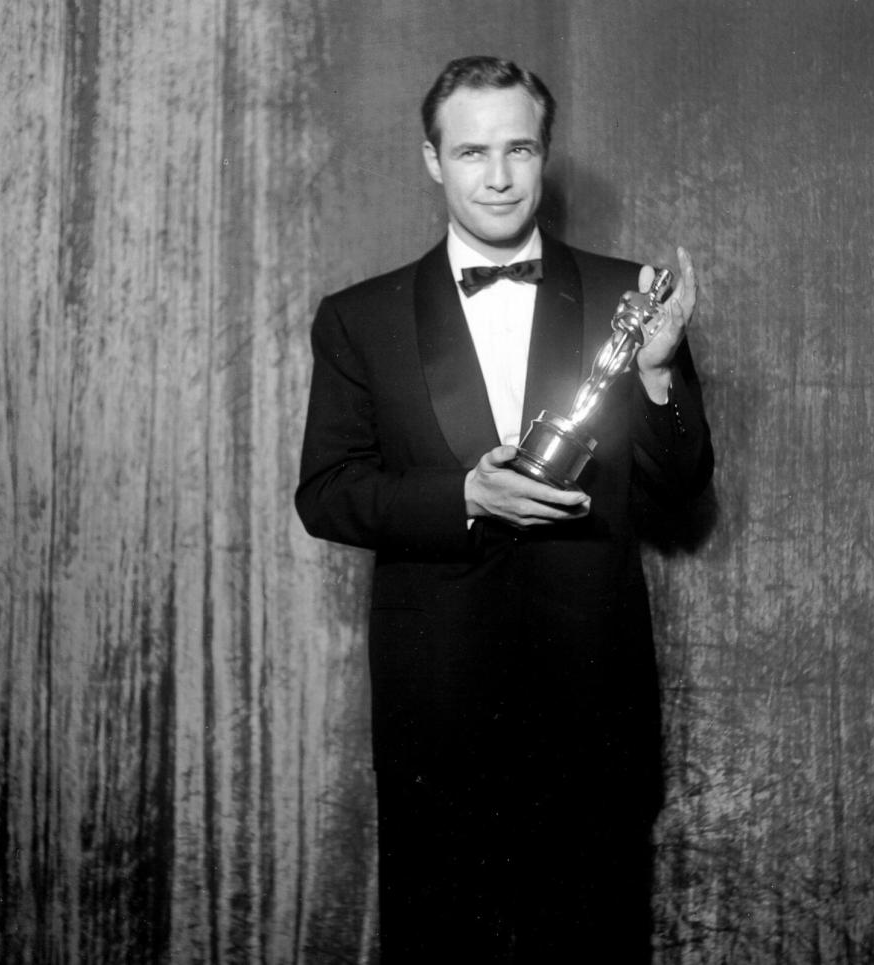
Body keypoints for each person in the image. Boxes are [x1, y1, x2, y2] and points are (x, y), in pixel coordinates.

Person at [296, 55, 713, 964]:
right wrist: (465, 496)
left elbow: (683, 493)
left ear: (545, 155)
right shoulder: (357, 319)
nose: (497, 175)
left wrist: (654, 372)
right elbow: (326, 492)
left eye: (518, 148)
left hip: (591, 704)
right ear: (432, 160)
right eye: (472, 150)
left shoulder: (631, 296)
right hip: (435, 711)